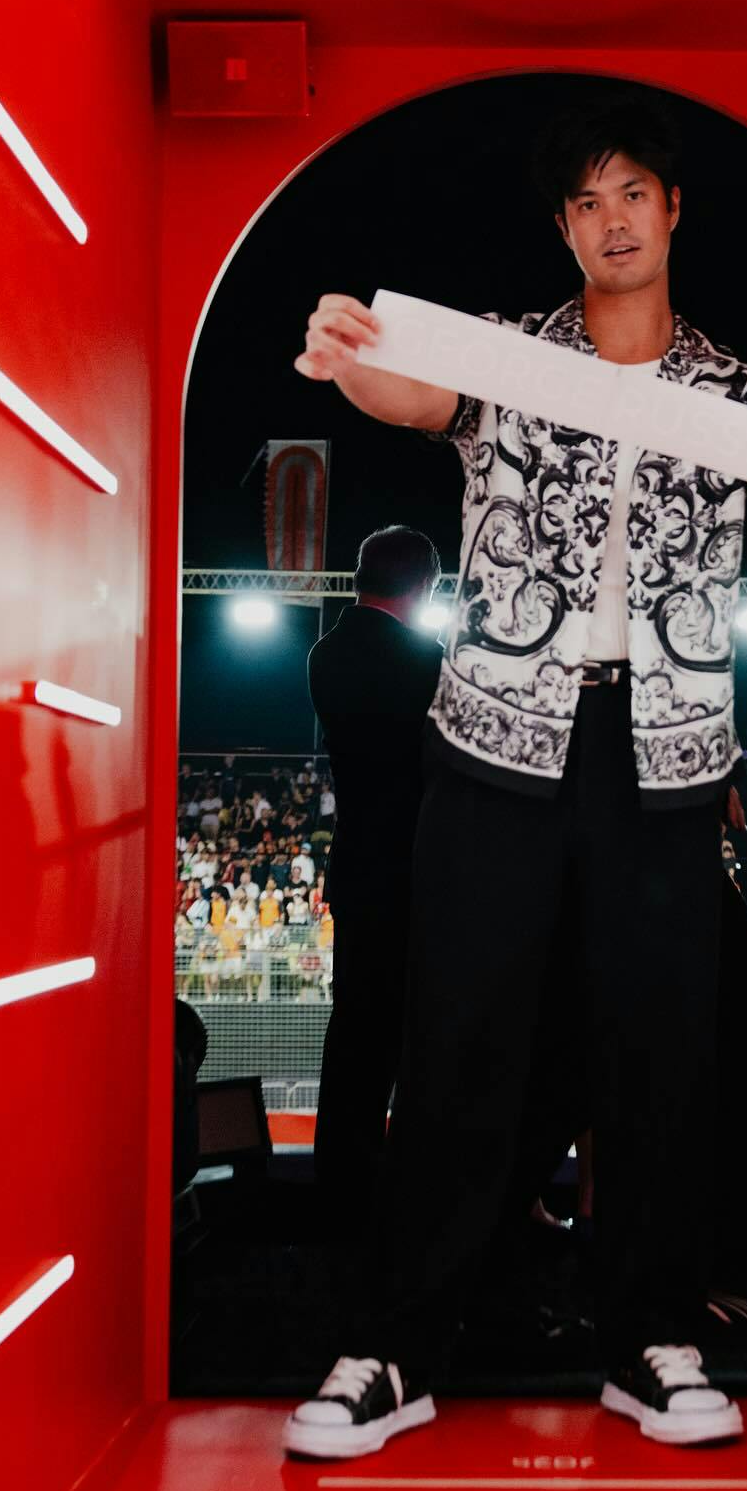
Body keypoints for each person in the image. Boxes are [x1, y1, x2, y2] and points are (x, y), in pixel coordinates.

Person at [284, 91, 747, 1460]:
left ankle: (652, 1338)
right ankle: (396, 1347)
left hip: (665, 754)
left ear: (673, 212)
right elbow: (407, 388)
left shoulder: (736, 389)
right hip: (497, 738)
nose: (613, 220)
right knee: (459, 1039)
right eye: (586, 201)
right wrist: (344, 358)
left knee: (661, 1050)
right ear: (562, 228)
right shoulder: (511, 358)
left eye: (634, 193)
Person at [305, 526, 445, 1237]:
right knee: (420, 1034)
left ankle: (342, 1185)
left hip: (359, 867)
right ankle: (412, 1190)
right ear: (424, 587)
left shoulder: (325, 653)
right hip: (418, 869)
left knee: (355, 1030)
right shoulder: (425, 660)